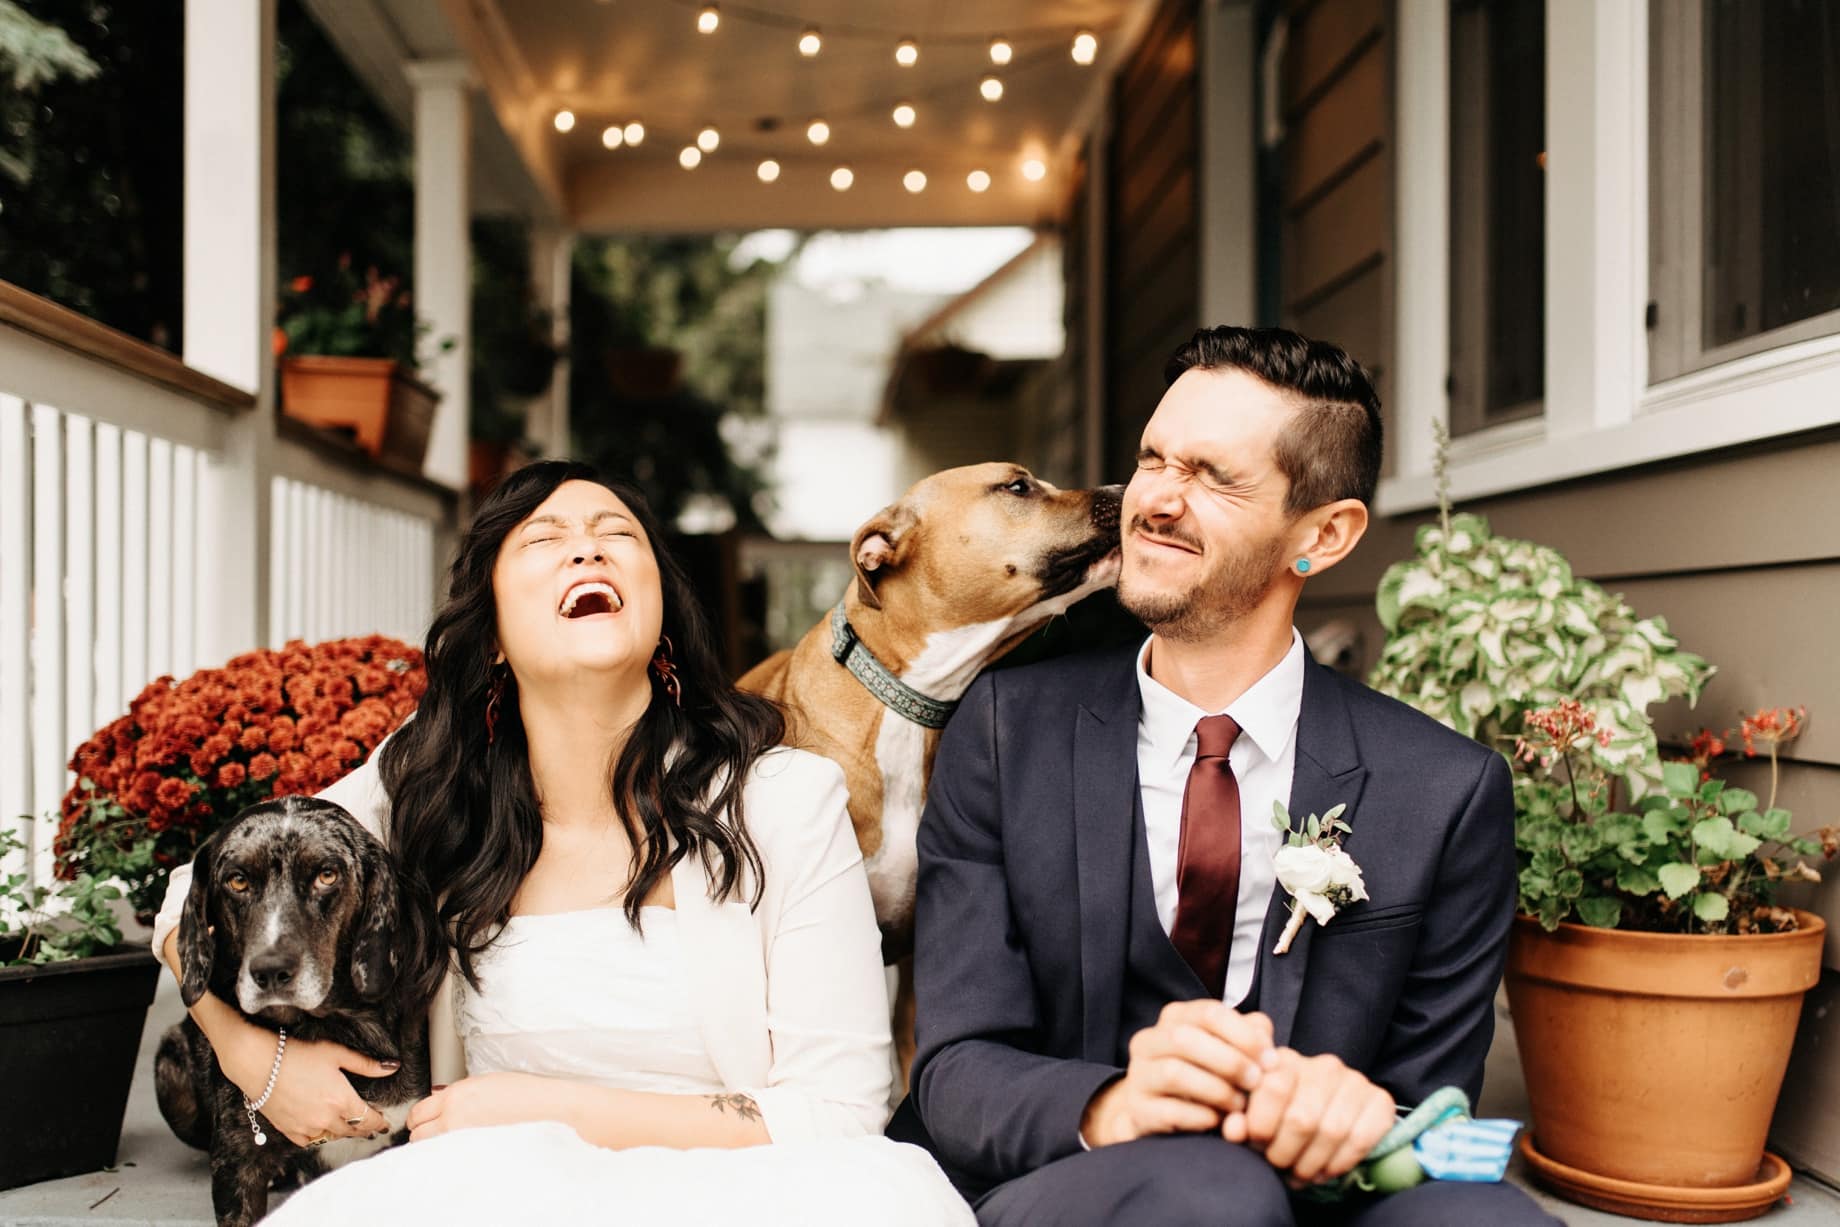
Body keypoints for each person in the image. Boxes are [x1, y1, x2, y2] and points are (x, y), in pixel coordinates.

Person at [151, 461, 973, 1226]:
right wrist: (254, 1054)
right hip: (497, 1198)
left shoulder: (784, 801)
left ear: (661, 617)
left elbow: (843, 1107)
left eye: (617, 534)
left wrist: (543, 1111)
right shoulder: (433, 784)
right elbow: (189, 893)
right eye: (545, 540)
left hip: (745, 1198)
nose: (587, 546)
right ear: (496, 636)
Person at [901, 327, 1561, 1226]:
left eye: (1213, 476)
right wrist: (1112, 1105)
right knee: (1213, 1195)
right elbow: (956, 1066)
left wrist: (1359, 1118)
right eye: (1153, 460)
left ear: (1323, 535)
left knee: (1491, 1222)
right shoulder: (1005, 731)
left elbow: (1426, 1110)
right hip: (1076, 1183)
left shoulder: (1445, 791)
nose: (1155, 501)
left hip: (1324, 1198)